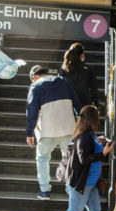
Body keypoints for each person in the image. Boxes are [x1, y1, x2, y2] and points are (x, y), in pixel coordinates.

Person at [46, 105, 113, 211]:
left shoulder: (90, 136)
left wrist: (100, 142)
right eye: (97, 116)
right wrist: (103, 153)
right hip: (81, 184)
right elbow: (84, 159)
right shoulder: (84, 137)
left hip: (90, 184)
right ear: (92, 119)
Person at [26, 65, 80, 200]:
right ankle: (70, 189)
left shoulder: (36, 87)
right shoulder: (64, 82)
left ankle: (44, 191)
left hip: (46, 129)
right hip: (68, 127)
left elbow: (31, 112)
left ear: (35, 77)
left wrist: (29, 132)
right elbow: (77, 103)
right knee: (69, 158)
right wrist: (79, 119)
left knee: (43, 158)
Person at [60, 42, 99, 108]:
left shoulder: (64, 68)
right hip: (84, 102)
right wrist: (96, 104)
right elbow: (93, 88)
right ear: (81, 55)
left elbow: (60, 85)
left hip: (68, 101)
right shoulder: (87, 69)